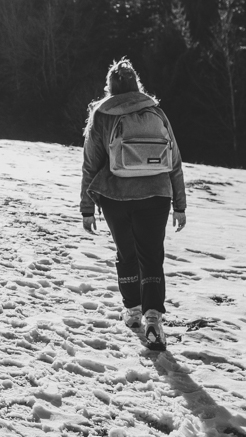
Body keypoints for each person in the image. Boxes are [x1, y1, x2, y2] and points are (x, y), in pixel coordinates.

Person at [79, 58, 186, 352]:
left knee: (127, 255)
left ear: (110, 87)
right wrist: (180, 204)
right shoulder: (156, 111)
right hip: (157, 194)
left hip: (116, 196)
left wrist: (87, 207)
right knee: (152, 256)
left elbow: (91, 164)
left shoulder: (102, 114)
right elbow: (174, 160)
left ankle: (134, 311)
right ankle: (154, 319)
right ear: (136, 84)